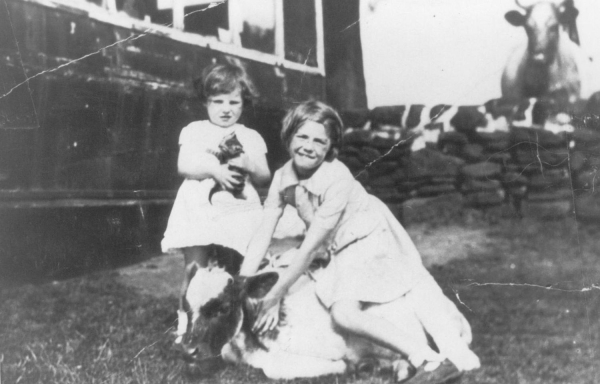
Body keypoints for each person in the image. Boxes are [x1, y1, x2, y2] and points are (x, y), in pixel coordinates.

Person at [240, 100, 480, 381]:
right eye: (302, 136)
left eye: (320, 141)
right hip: (336, 244)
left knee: (343, 313)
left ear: (330, 147)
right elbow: (264, 231)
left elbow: (310, 246)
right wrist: (242, 280)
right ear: (288, 136)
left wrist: (274, 296)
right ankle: (406, 356)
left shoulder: (336, 177)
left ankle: (427, 359)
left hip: (366, 236)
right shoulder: (282, 178)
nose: (309, 146)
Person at [162, 62, 271, 310]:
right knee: (195, 270)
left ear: (244, 102)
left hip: (237, 208)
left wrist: (249, 163)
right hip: (199, 207)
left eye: (234, 102)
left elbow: (264, 176)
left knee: (236, 267)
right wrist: (214, 169)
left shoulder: (251, 136)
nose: (226, 109)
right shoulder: (194, 130)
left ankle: (233, 319)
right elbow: (184, 165)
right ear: (206, 101)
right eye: (218, 101)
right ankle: (187, 321)